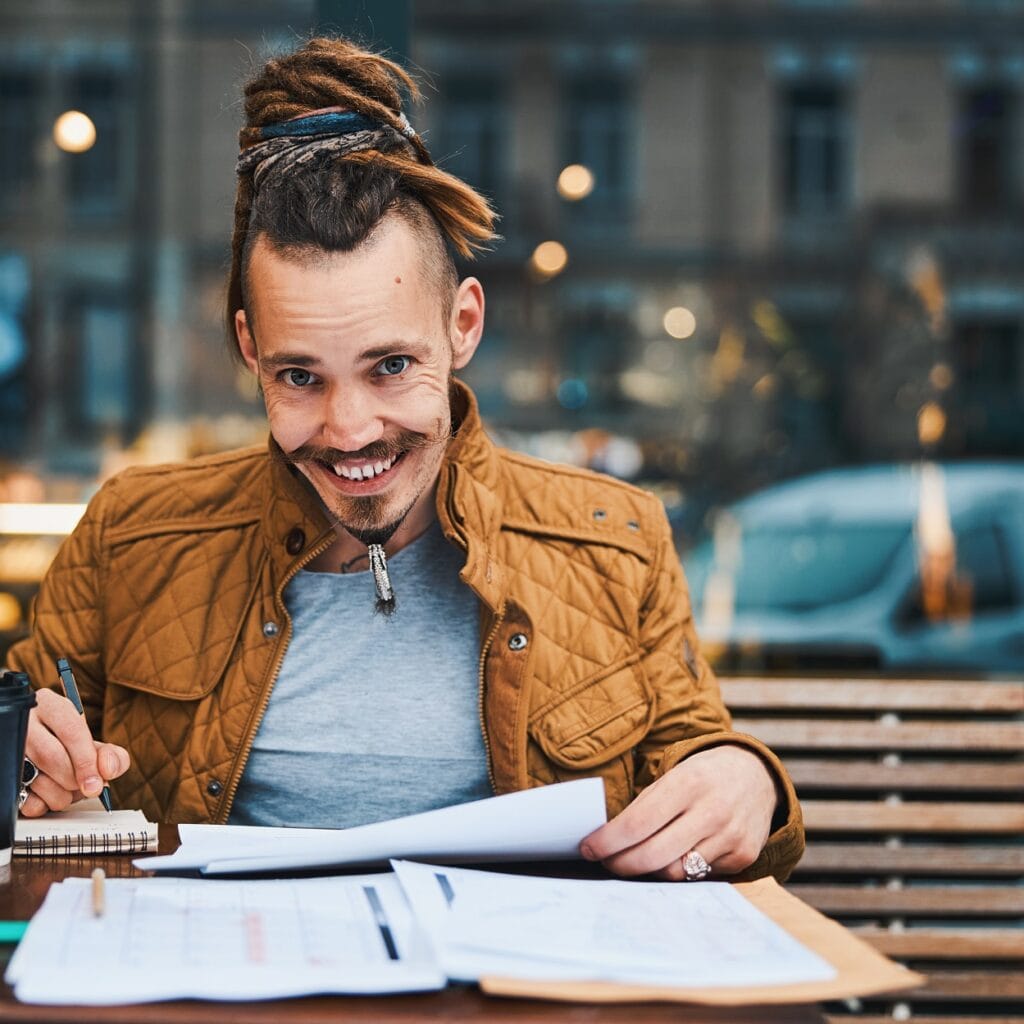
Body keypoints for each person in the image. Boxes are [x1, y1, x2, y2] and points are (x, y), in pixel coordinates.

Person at [9, 37, 803, 883]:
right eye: (300, 377)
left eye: (391, 366)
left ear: (463, 325)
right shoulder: (132, 534)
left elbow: (701, 765)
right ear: (249, 347)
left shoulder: (617, 540)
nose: (350, 431)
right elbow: (21, 752)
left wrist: (748, 782)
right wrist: (19, 762)